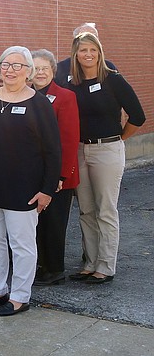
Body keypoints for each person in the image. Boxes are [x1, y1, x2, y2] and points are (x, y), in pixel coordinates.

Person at [0, 46, 61, 317]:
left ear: (28, 72)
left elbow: (53, 150)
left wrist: (47, 189)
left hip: (24, 191)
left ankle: (20, 296)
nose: (10, 70)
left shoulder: (39, 103)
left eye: (18, 66)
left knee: (22, 245)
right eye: (6, 64)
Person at [66, 32, 145, 284]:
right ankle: (90, 263)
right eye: (82, 50)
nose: (88, 54)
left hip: (107, 150)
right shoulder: (72, 83)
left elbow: (138, 116)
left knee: (105, 210)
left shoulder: (113, 79)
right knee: (86, 210)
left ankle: (105, 266)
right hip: (80, 150)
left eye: (92, 50)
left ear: (99, 52)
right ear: (75, 55)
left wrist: (120, 139)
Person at [30, 49, 80, 286]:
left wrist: (61, 175)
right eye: (36, 68)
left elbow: (69, 140)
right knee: (38, 222)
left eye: (44, 68)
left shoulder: (65, 96)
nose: (40, 73)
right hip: (34, 173)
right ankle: (42, 265)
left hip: (59, 175)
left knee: (54, 223)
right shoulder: (27, 95)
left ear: (53, 71)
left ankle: (55, 269)